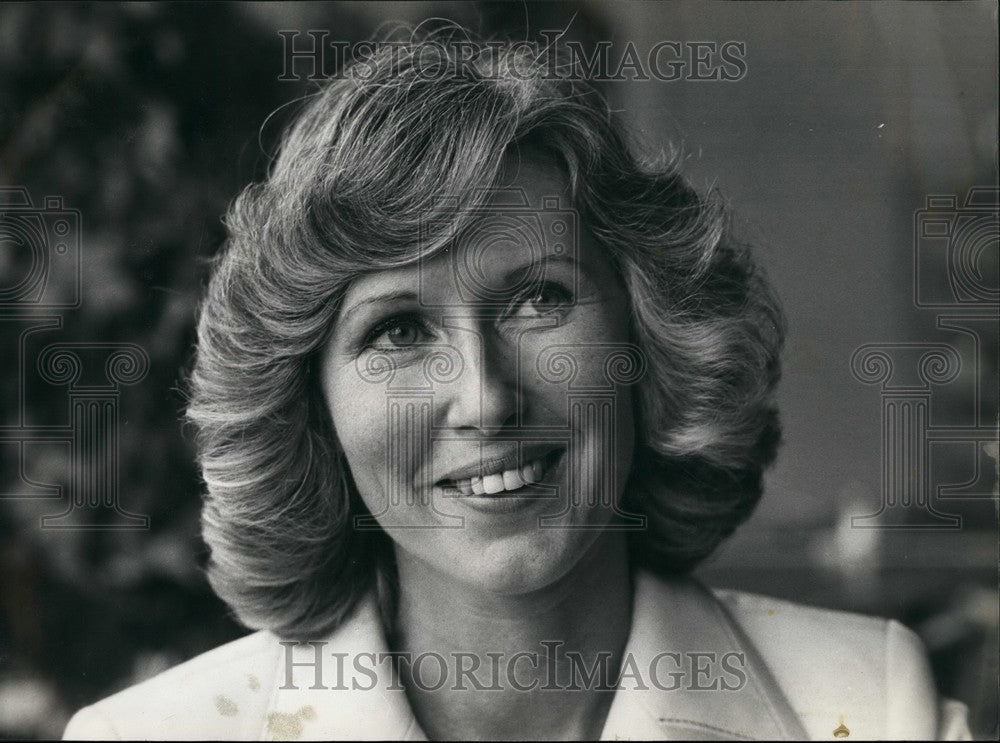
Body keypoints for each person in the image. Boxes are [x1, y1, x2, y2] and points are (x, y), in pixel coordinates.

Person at [64, 30, 971, 741]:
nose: (488, 399)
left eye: (540, 298)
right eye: (398, 330)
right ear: (311, 408)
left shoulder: (872, 707)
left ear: (648, 335)